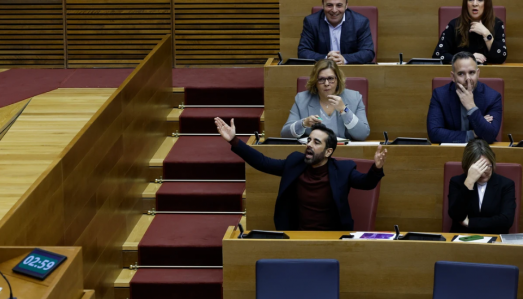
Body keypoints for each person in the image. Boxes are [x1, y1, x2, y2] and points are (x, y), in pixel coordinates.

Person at [215, 118, 387, 231]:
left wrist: (377, 168)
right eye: (309, 140)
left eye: (316, 142)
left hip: (332, 238)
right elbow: (263, 162)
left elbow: (366, 183)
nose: (309, 145)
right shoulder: (295, 163)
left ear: (328, 152)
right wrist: (234, 140)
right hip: (296, 235)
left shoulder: (343, 169)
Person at [281, 59, 369, 141]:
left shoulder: (355, 97)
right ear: (315, 82)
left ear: (337, 79)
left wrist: (344, 110)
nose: (326, 84)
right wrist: (304, 123)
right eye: (321, 79)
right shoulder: (302, 99)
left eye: (330, 79)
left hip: (345, 152)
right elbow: (285, 134)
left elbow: (363, 134)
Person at [427, 52, 502, 144]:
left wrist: (471, 106)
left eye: (471, 73)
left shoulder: (493, 97)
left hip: (480, 154)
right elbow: (434, 133)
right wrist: (473, 134)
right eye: (461, 74)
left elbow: (490, 136)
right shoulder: (440, 95)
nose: (467, 78)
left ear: (478, 73)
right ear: (453, 77)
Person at [448, 139, 516, 234]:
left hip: (495, 239)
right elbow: (456, 216)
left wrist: (470, 223)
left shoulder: (506, 184)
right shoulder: (457, 182)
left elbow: (506, 221)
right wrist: (469, 182)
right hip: (462, 238)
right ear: (468, 166)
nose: (483, 172)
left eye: (487, 166)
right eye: (478, 168)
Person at [297, 0, 375, 65]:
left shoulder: (360, 22)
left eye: (339, 5)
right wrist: (326, 59)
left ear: (346, 6)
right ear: (323, 5)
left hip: (351, 70)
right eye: (329, 5)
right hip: (321, 73)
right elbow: (303, 51)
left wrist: (344, 59)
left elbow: (368, 52)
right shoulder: (311, 22)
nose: (334, 10)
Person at [433, 0, 507, 65]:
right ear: (466, 4)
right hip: (461, 76)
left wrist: (486, 33)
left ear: (487, 3)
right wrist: (467, 58)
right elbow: (438, 54)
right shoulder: (454, 25)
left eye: (480, 0)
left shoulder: (497, 24)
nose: (474, 4)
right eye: (470, 0)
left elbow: (501, 56)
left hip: (489, 75)